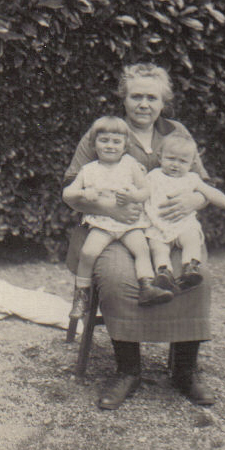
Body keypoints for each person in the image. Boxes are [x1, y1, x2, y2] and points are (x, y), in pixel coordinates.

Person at [63, 63, 217, 411]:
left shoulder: (177, 133)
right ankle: (128, 370)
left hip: (168, 228)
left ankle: (184, 370)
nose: (143, 104)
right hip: (118, 229)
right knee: (119, 278)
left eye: (152, 97)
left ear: (164, 102)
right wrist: (108, 210)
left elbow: (204, 185)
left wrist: (195, 198)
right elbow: (73, 184)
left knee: (196, 275)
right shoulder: (106, 131)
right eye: (136, 96)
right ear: (124, 99)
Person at [64, 115, 173, 320]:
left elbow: (145, 190)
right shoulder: (88, 170)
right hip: (103, 223)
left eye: (116, 141)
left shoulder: (130, 164)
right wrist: (83, 194)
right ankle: (81, 295)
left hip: (130, 224)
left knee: (142, 250)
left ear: (125, 146)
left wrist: (134, 196)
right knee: (88, 252)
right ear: (94, 144)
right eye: (104, 140)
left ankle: (147, 286)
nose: (110, 146)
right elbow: (67, 194)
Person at [146, 130, 225, 293]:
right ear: (160, 157)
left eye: (182, 161)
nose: (175, 164)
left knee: (192, 239)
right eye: (171, 159)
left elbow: (211, 193)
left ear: (191, 164)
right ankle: (163, 272)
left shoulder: (192, 179)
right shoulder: (153, 176)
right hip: (157, 224)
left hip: (184, 224)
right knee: (157, 248)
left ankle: (191, 266)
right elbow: (140, 193)